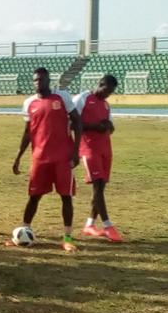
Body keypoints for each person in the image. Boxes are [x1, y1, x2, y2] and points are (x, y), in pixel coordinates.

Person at [11, 67, 82, 253]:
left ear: (49, 80)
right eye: (35, 80)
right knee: (34, 195)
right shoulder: (29, 103)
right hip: (40, 157)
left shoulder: (63, 97)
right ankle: (24, 230)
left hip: (63, 157)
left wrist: (76, 152)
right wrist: (18, 156)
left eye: (41, 79)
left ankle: (67, 237)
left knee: (66, 196)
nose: (38, 83)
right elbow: (28, 132)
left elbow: (78, 122)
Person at [75, 74, 122, 242]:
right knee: (97, 186)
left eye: (110, 92)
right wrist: (95, 126)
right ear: (100, 84)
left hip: (105, 149)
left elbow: (110, 127)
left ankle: (90, 224)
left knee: (100, 188)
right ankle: (108, 226)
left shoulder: (106, 105)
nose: (107, 95)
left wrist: (109, 126)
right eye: (106, 90)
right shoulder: (83, 99)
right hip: (89, 148)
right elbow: (73, 122)